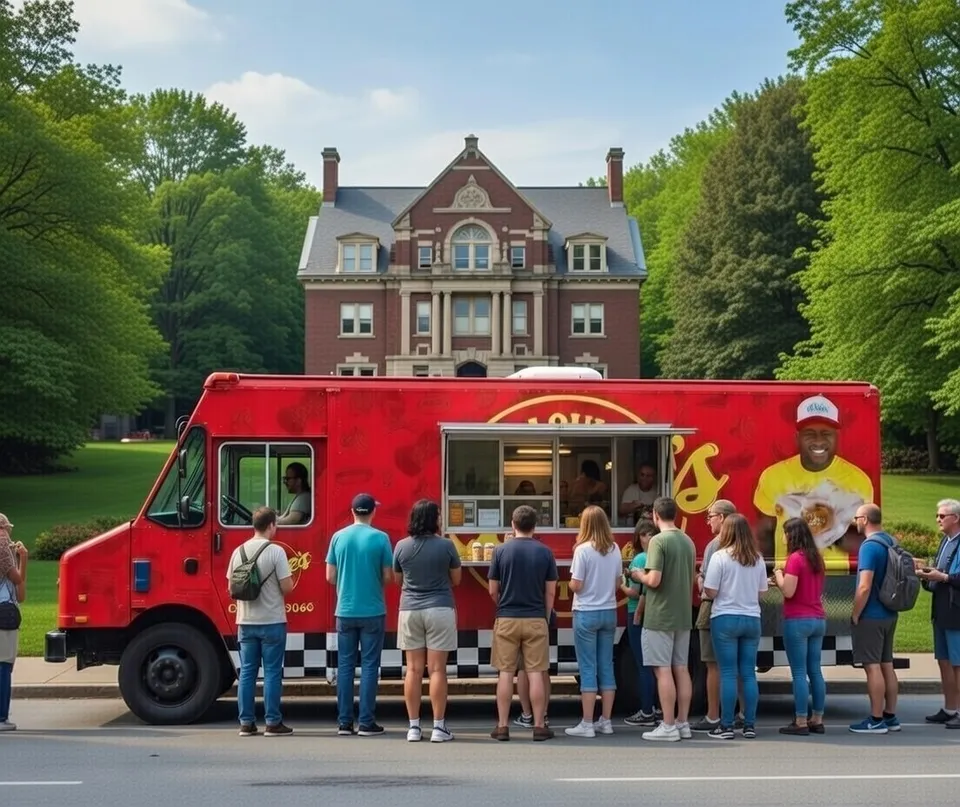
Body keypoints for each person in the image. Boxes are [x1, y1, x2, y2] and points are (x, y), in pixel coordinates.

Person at [392, 499, 462, 743]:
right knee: (437, 670)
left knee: (412, 669)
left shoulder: (401, 546)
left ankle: (413, 727)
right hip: (440, 608)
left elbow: (397, 581)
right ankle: (439, 727)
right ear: (434, 519)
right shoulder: (446, 546)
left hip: (409, 609)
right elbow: (456, 579)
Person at [488, 505, 558, 742]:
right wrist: (545, 617)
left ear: (512, 524)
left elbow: (492, 590)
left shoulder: (500, 551)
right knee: (536, 672)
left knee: (506, 673)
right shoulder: (545, 552)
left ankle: (502, 726)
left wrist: (503, 605)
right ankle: (539, 726)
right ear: (535, 526)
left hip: (507, 617)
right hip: (536, 618)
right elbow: (550, 594)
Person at [326, 493, 394, 736]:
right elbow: (388, 577)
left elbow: (330, 577)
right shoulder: (381, 539)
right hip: (373, 610)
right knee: (369, 666)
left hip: (344, 610)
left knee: (344, 666)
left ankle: (344, 722)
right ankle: (366, 721)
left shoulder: (338, 537)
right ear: (372, 512)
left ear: (352, 511)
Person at [226, 507, 294, 737]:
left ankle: (246, 722)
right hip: (272, 620)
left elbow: (231, 588)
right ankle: (273, 722)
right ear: (271, 525)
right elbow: (287, 587)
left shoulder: (238, 551)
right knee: (272, 672)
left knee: (247, 672)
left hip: (245, 622)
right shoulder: (276, 552)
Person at [634, 496, 697, 742]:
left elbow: (654, 580)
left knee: (662, 671)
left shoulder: (659, 542)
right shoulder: (688, 541)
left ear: (655, 516)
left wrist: (639, 575)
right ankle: (683, 722)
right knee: (681, 668)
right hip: (683, 614)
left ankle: (668, 725)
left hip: (660, 614)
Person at [702, 513, 768, 740]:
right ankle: (749, 724)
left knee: (728, 673)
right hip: (751, 618)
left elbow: (711, 591)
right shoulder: (757, 558)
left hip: (725, 618)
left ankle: (726, 725)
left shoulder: (720, 557)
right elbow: (762, 592)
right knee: (748, 673)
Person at [565, 506, 623, 738]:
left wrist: (570, 585)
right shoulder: (615, 548)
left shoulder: (583, 550)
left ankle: (587, 723)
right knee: (606, 666)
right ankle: (606, 721)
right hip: (609, 612)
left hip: (586, 612)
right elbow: (619, 582)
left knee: (588, 668)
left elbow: (576, 584)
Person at [772, 517, 826, 735]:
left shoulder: (795, 559)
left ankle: (801, 721)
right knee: (815, 670)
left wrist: (777, 574)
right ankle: (818, 718)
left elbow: (789, 591)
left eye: (785, 533)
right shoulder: (816, 558)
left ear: (792, 535)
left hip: (797, 620)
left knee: (798, 672)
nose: (783, 537)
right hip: (818, 619)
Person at [691, 499, 742, 733]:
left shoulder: (715, 546)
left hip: (715, 608)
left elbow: (708, 585)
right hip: (744, 611)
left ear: (722, 518)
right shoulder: (748, 546)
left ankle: (713, 715)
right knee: (740, 666)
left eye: (710, 516)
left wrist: (699, 580)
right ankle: (743, 714)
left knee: (713, 665)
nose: (708, 520)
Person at [849, 503, 900, 734]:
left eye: (857, 517)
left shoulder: (869, 546)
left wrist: (856, 613)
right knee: (887, 665)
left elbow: (864, 586)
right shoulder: (891, 542)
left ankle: (876, 719)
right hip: (890, 612)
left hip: (871, 614)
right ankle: (890, 716)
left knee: (872, 668)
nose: (855, 521)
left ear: (865, 519)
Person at [917, 499, 960, 728]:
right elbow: (942, 571)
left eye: (942, 516)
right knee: (944, 661)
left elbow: (953, 577)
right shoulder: (946, 541)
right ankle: (950, 707)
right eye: (937, 516)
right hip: (941, 609)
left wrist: (941, 577)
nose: (938, 520)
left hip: (956, 611)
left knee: (958, 663)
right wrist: (928, 573)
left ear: (956, 518)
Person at [622, 518, 659, 727]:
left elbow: (635, 592)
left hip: (635, 612)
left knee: (642, 663)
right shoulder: (657, 557)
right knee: (655, 663)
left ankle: (647, 710)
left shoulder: (638, 560)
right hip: (653, 614)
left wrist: (621, 585)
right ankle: (656, 707)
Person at [0, 514, 26, 732]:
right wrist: (22, 559)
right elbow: (19, 583)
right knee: (4, 666)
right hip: (4, 613)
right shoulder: (2, 547)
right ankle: (1, 717)